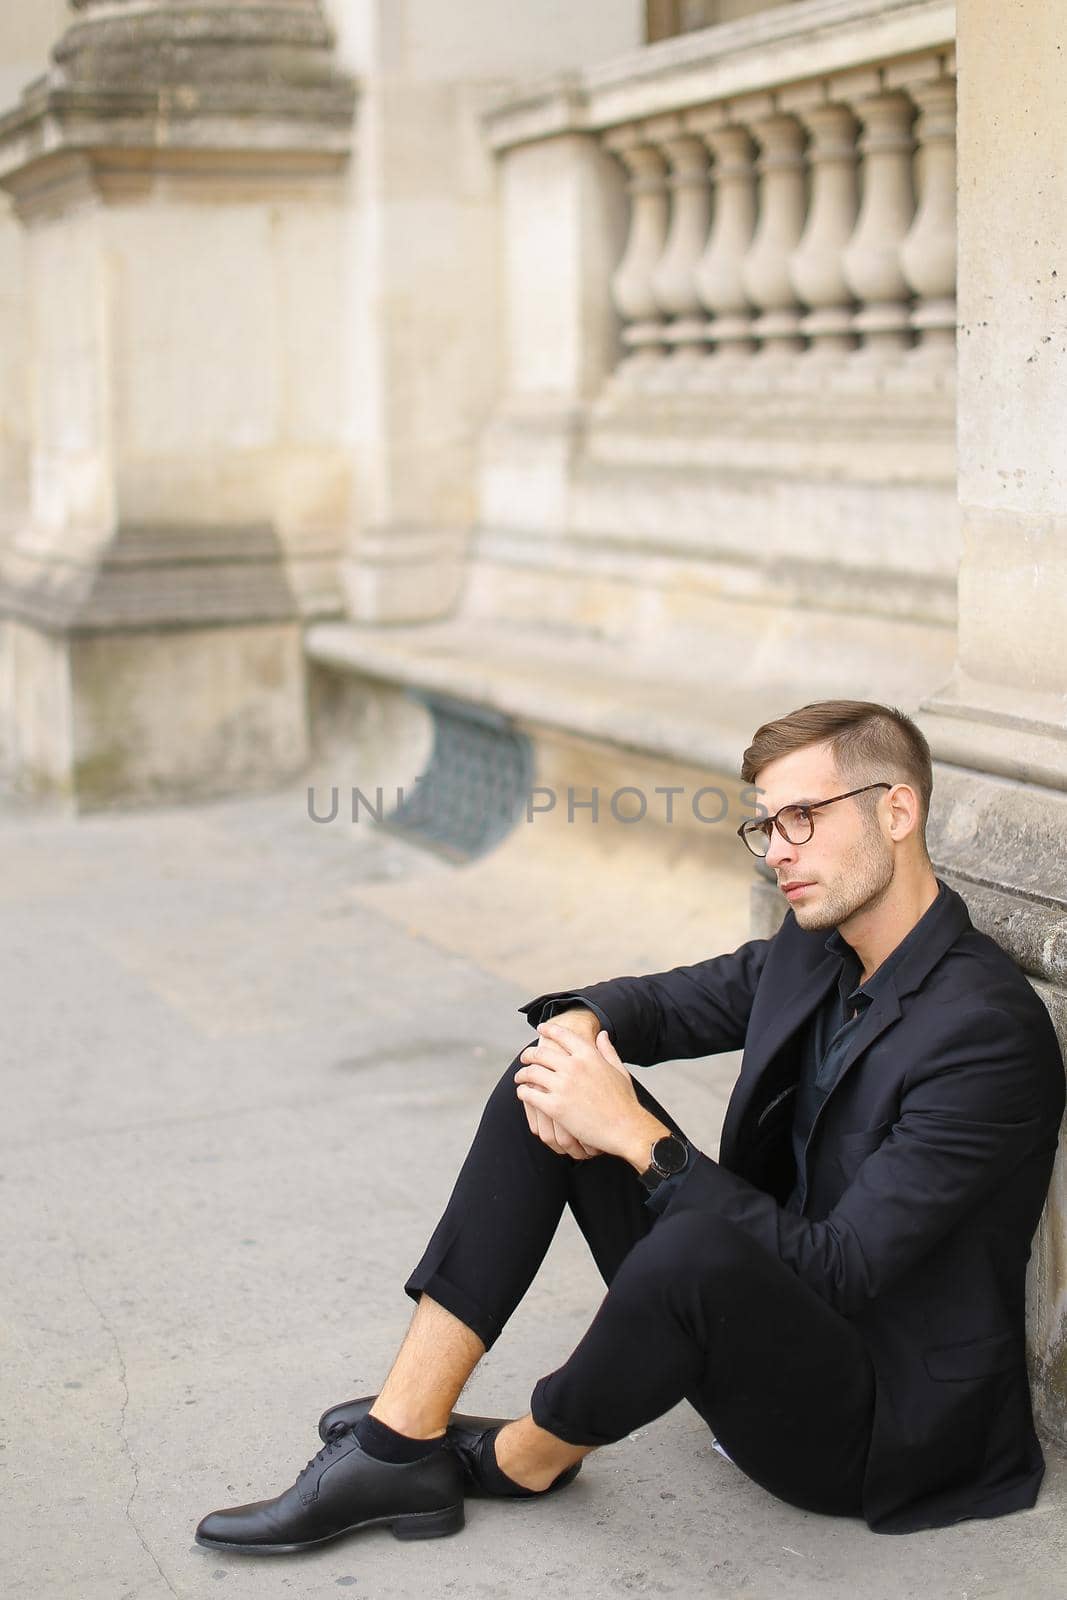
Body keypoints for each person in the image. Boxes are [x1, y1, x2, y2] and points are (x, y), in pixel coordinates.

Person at [195, 699, 1065, 1552]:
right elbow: (665, 1003)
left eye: (802, 818)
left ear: (898, 810)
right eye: (766, 827)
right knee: (545, 1078)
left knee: (689, 1239)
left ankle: (521, 1457)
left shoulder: (982, 1033)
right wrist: (579, 1023)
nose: (778, 855)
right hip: (756, 1323)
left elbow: (844, 1271)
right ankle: (403, 1432)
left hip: (873, 1424)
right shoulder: (818, 942)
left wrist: (643, 1144)